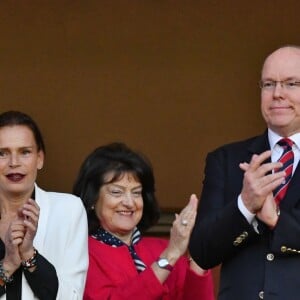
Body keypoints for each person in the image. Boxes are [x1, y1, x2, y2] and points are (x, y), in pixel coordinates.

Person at [189, 45, 300, 300]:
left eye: (291, 83)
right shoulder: (226, 160)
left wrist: (277, 219)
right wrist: (245, 206)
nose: (277, 94)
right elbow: (202, 252)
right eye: (269, 84)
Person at [72, 142, 214, 300]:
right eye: (117, 192)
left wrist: (199, 253)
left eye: (136, 193)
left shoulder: (164, 247)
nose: (129, 202)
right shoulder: (81, 251)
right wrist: (168, 258)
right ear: (93, 198)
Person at [0, 110, 88, 299]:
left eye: (25, 152)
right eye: (2, 153)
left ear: (39, 158)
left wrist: (29, 255)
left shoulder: (69, 210)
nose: (14, 163)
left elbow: (72, 296)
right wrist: (7, 266)